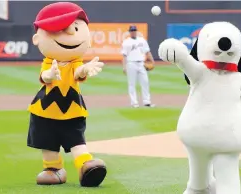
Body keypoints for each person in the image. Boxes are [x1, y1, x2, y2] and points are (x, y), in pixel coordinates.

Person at [27, 2, 107, 187]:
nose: (70, 33)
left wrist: (84, 70)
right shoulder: (49, 61)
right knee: (47, 142)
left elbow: (78, 72)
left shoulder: (75, 61)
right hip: (45, 110)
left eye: (75, 28)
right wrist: (50, 75)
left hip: (72, 109)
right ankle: (53, 169)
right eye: (58, 30)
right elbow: (45, 76)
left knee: (76, 139)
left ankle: (85, 166)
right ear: (37, 39)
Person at [121, 25, 155, 108]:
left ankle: (147, 102)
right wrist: (124, 67)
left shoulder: (142, 40)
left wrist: (152, 61)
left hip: (141, 63)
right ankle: (134, 102)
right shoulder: (126, 42)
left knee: (145, 82)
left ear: (136, 31)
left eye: (134, 30)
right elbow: (124, 56)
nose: (133, 32)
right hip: (131, 63)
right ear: (129, 32)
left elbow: (147, 52)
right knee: (132, 84)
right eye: (132, 31)